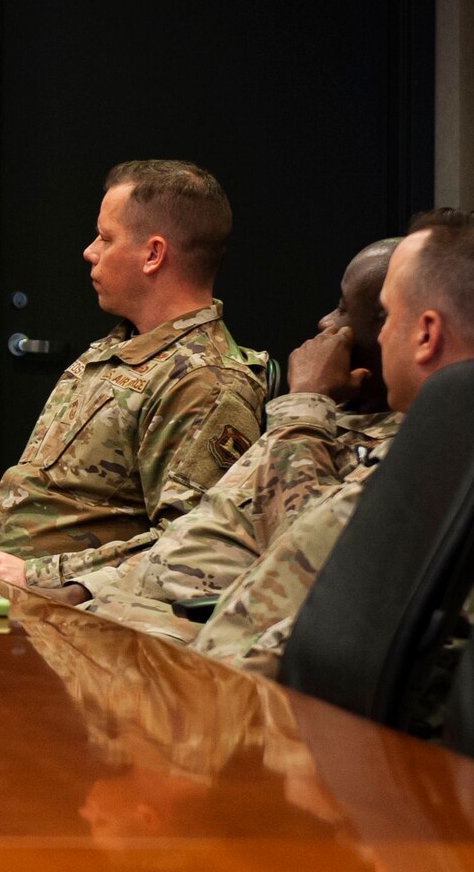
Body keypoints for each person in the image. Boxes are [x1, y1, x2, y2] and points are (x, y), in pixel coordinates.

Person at [0, 239, 401, 634]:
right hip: (93, 604)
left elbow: (290, 559)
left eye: (345, 308)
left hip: (192, 653)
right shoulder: (328, 419)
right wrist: (79, 590)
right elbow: (202, 533)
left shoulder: (216, 383)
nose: (326, 322)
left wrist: (307, 403)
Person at [195, 208, 474, 679]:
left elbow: (313, 612)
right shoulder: (432, 449)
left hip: (253, 709)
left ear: (426, 334)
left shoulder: (434, 466)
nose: (381, 334)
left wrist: (303, 406)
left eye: (389, 315)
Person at [0, 160, 267, 581]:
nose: (90, 251)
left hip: (67, 610)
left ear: (154, 254)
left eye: (106, 238)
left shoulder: (206, 382)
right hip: (2, 587)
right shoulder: (120, 347)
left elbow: (195, 547)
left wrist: (42, 574)